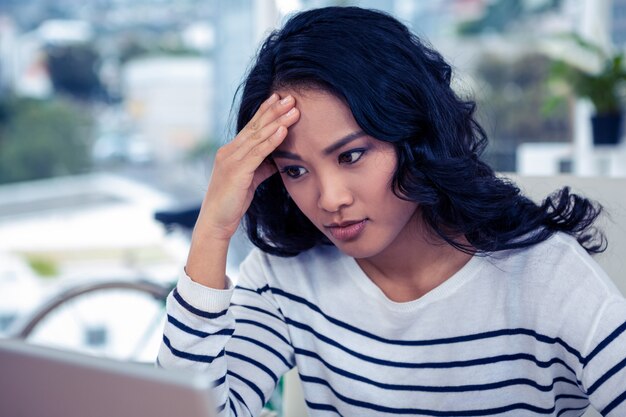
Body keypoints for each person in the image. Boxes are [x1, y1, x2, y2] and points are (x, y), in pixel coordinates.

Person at [157, 6, 626, 416]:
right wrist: (212, 230)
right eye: (295, 170)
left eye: (352, 156)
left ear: (414, 137)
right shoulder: (285, 278)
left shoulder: (545, 276)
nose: (330, 198)